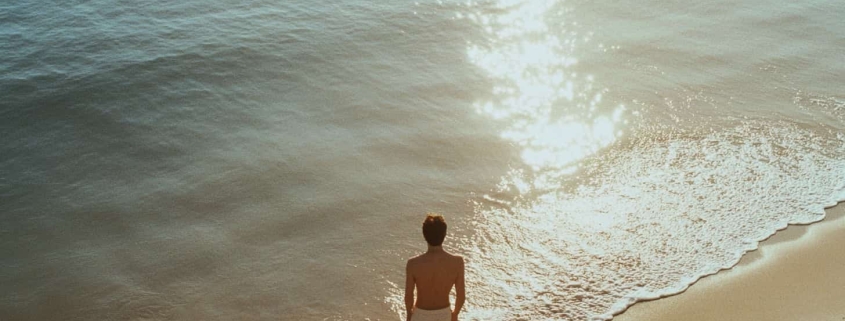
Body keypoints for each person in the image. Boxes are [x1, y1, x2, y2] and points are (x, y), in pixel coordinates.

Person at [404, 214, 466, 321]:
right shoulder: (457, 262)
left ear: (424, 235)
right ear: (445, 234)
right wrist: (455, 314)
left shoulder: (413, 264)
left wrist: (409, 315)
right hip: (444, 314)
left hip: (420, 314)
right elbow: (461, 295)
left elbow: (408, 296)